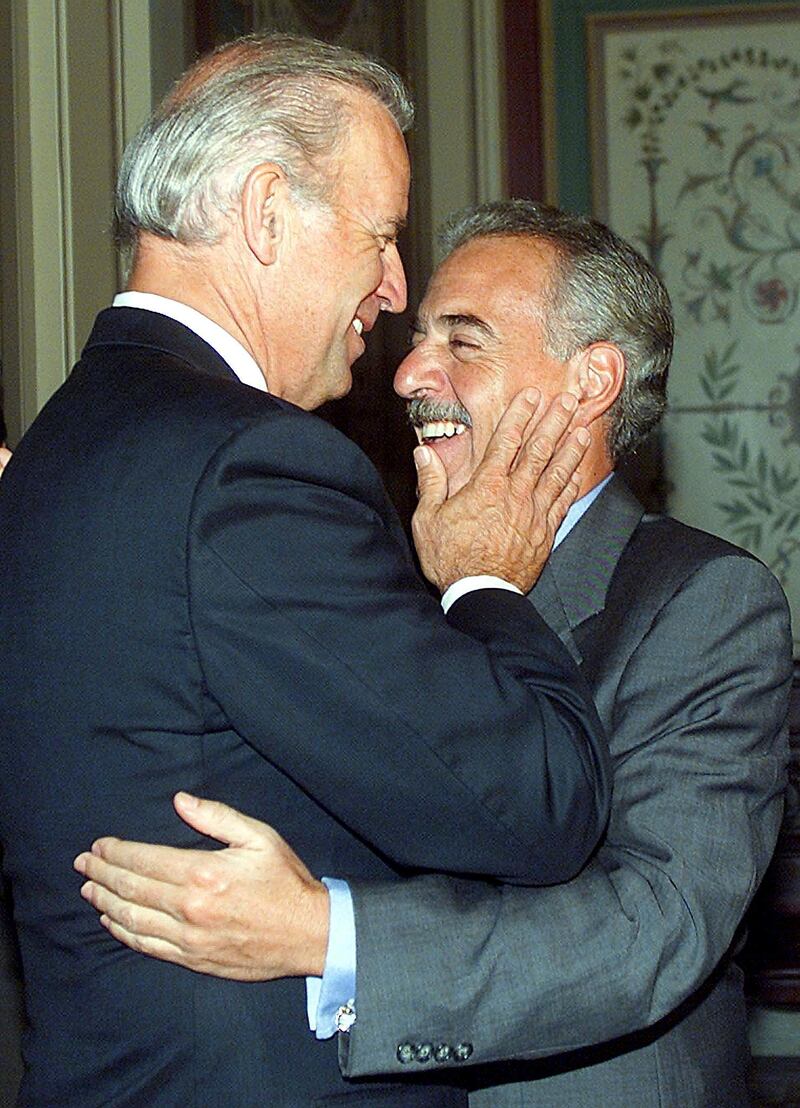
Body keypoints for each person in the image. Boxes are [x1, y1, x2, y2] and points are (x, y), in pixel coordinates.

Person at [0, 39, 611, 1108]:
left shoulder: (56, 446)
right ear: (266, 210)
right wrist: (482, 582)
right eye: (379, 235)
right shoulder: (250, 464)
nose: (392, 285)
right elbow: (535, 802)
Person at [78, 201, 793, 1107]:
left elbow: (649, 930)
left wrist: (327, 936)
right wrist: (72, 512)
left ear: (590, 383)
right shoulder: (378, 578)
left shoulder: (703, 601)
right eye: (418, 338)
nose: (410, 370)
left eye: (465, 341)